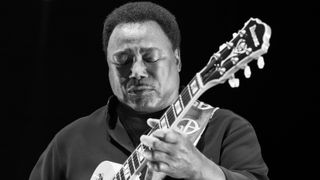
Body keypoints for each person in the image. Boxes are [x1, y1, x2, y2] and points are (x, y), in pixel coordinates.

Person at [29, 1, 269, 180]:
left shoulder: (227, 129)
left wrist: (201, 170)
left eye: (150, 57)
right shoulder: (71, 141)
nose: (136, 71)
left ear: (177, 60)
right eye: (122, 60)